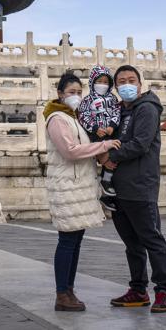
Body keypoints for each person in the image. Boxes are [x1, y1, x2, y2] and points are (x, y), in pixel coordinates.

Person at [44, 72, 121, 312]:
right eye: (71, 92)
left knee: (75, 241)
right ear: (60, 94)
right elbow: (70, 151)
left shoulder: (74, 118)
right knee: (67, 241)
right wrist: (104, 146)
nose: (76, 96)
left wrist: (102, 156)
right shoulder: (57, 118)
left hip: (79, 186)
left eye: (79, 92)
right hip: (67, 186)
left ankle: (68, 289)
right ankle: (61, 293)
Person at [103, 65, 166, 313]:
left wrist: (110, 155)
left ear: (140, 85)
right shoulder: (119, 111)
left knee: (152, 241)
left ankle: (162, 292)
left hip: (141, 186)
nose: (127, 84)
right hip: (118, 189)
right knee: (132, 244)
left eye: (131, 80)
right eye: (121, 81)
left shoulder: (147, 109)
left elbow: (140, 144)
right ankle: (138, 290)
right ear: (116, 87)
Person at [76, 64, 121, 210]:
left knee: (114, 156)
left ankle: (106, 183)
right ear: (92, 81)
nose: (102, 85)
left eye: (105, 82)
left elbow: (116, 113)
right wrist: (95, 128)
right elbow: (83, 116)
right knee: (105, 157)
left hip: (110, 133)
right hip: (95, 135)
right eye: (99, 81)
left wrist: (111, 126)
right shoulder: (87, 100)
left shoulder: (113, 99)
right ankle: (103, 187)